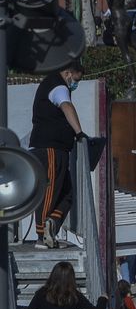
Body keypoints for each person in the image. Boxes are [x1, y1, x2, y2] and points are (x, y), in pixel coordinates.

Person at [28, 60, 85, 249]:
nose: (75, 84)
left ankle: (51, 224)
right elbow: (66, 106)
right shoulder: (58, 86)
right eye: (76, 79)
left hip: (58, 148)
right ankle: (42, 236)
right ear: (68, 73)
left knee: (67, 193)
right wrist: (79, 132)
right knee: (49, 191)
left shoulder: (55, 84)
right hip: (49, 148)